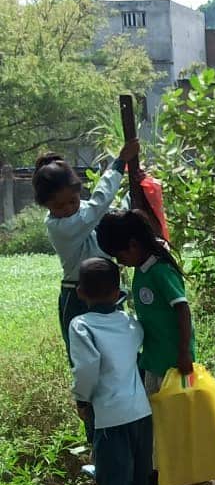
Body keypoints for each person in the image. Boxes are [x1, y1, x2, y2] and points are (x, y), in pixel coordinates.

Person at [69, 258, 153, 485]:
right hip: (140, 411)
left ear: (80, 292)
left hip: (109, 413)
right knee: (138, 473)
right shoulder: (130, 323)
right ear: (118, 291)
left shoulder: (81, 325)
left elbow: (87, 368)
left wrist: (82, 399)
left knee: (112, 478)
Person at [35, 141, 139, 360]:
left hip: (108, 289)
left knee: (118, 352)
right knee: (85, 357)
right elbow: (100, 204)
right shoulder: (61, 227)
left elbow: (111, 213)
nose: (68, 209)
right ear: (46, 206)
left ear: (78, 193)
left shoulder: (81, 211)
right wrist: (119, 164)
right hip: (80, 294)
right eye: (59, 206)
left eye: (72, 201)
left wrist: (137, 192)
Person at [96, 210, 196, 394]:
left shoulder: (161, 271)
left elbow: (183, 309)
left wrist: (184, 352)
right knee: (157, 413)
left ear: (133, 245)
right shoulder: (141, 272)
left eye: (120, 256)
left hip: (175, 361)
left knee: (179, 413)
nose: (121, 262)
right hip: (154, 359)